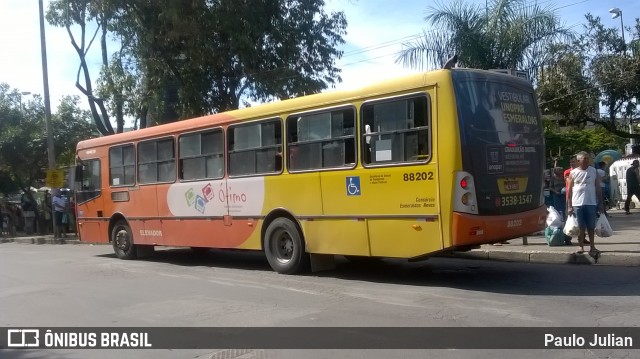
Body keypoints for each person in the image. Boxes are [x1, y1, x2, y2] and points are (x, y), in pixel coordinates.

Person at [567, 151, 603, 254]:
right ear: (579, 161)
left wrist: (600, 203)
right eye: (584, 158)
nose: (587, 160)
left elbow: (598, 187)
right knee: (580, 226)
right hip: (577, 203)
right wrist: (569, 206)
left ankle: (592, 246)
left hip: (590, 203)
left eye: (588, 158)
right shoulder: (573, 173)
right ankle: (580, 246)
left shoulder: (593, 171)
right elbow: (569, 190)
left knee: (591, 226)